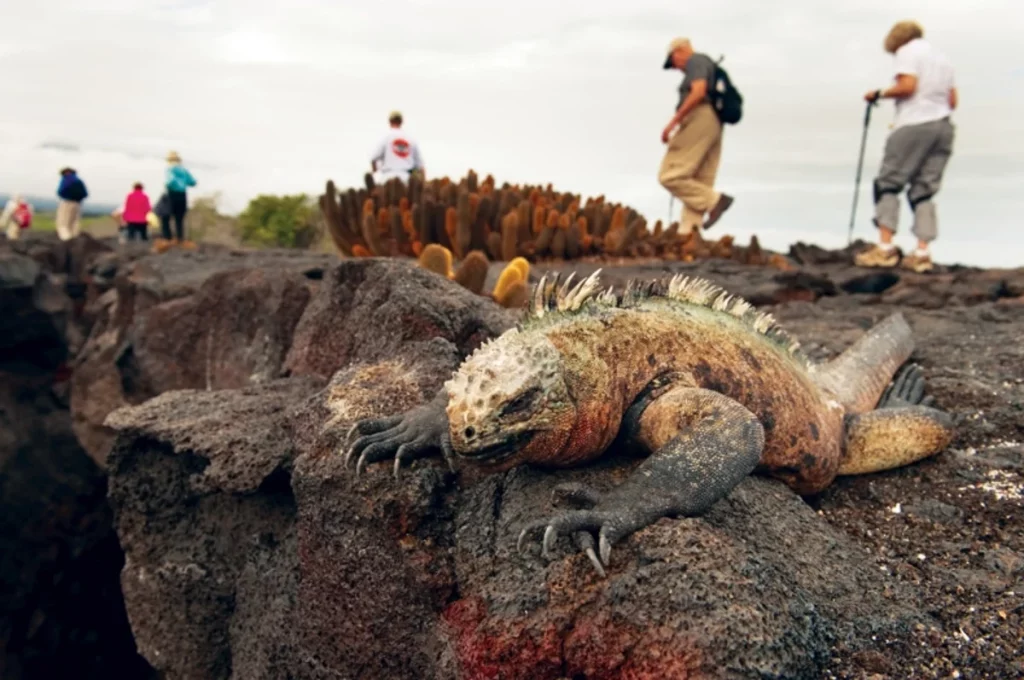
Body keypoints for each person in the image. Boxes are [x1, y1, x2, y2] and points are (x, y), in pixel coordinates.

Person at [854, 20, 957, 274]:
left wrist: (878, 94)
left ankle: (885, 248)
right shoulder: (942, 58)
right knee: (924, 190)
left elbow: (908, 86)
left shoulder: (907, 52)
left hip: (913, 123)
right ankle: (922, 252)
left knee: (889, 182)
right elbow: (952, 100)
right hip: (943, 126)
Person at [658, 37, 734, 234]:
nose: (676, 68)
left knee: (670, 175)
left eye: (673, 62)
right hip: (715, 122)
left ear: (678, 52)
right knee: (700, 180)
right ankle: (689, 233)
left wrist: (673, 122)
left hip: (701, 117)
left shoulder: (696, 61)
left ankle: (715, 201)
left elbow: (698, 91)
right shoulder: (707, 63)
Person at [370, 111, 425, 183]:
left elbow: (373, 158)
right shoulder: (411, 139)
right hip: (407, 178)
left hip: (387, 177)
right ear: (401, 122)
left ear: (390, 121)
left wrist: (375, 170)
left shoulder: (385, 137)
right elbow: (421, 167)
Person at [163, 151, 197, 248]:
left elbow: (170, 181)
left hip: (172, 193)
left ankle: (167, 237)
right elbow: (193, 182)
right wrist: (183, 183)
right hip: (183, 194)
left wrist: (169, 185)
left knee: (166, 216)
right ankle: (180, 237)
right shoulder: (184, 170)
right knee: (179, 218)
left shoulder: (170, 169)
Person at [55, 167, 88, 240]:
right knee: (74, 223)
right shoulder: (79, 181)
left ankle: (67, 241)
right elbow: (85, 194)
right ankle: (75, 240)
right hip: (78, 204)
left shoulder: (67, 179)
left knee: (63, 224)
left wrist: (66, 196)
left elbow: (60, 191)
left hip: (67, 202)